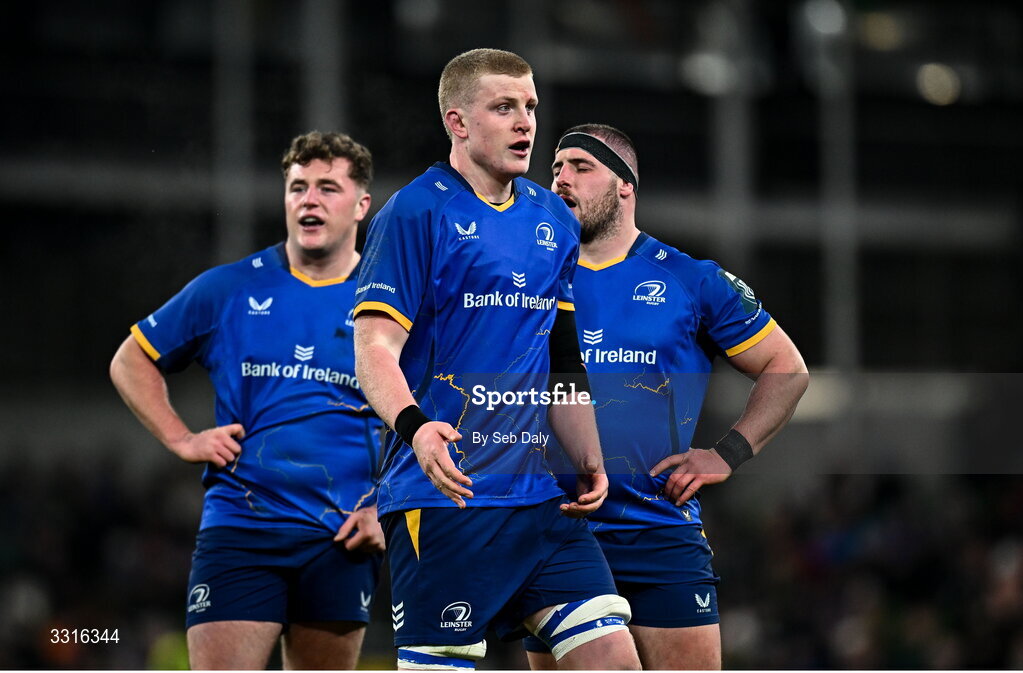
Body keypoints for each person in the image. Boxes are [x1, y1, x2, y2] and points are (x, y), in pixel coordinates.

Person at [352, 49, 641, 671]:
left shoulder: (552, 218)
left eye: (530, 107)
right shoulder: (415, 212)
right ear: (457, 122)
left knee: (614, 661)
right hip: (447, 500)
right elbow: (373, 348)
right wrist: (415, 427)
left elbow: (562, 356)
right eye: (504, 107)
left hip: (541, 501)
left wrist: (588, 457)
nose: (524, 122)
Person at [522, 124, 809, 670]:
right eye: (556, 168)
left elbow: (787, 368)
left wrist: (727, 453)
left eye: (581, 167)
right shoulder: (529, 281)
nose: (561, 180)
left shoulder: (690, 280)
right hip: (558, 532)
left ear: (625, 185)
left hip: (658, 530)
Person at [109, 131, 385, 670]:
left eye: (327, 188)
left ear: (361, 204)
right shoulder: (229, 289)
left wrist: (390, 506)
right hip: (243, 528)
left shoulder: (387, 301)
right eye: (298, 187)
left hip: (342, 539)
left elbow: (436, 408)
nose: (309, 199)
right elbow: (130, 360)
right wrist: (181, 438)